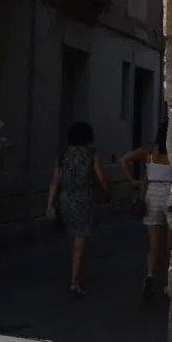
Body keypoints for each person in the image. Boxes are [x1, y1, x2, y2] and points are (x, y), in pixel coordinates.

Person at [46, 121, 109, 298]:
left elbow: (54, 182)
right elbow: (101, 177)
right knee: (80, 239)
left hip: (66, 199)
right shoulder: (91, 154)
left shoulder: (62, 155)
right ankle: (75, 281)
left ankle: (76, 276)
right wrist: (107, 193)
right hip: (84, 199)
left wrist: (50, 205)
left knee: (74, 238)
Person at [120, 123, 172, 300]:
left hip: (152, 195)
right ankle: (167, 284)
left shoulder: (148, 152)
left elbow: (124, 160)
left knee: (153, 246)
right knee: (170, 245)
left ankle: (150, 275)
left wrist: (133, 181)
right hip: (170, 194)